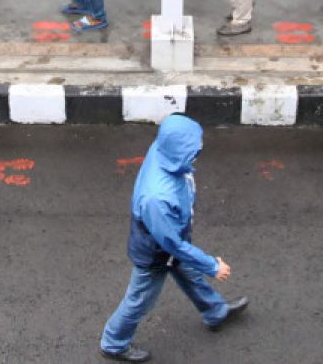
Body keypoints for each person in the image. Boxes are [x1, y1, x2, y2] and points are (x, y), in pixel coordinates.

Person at [99, 114, 248, 362]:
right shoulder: (158, 199)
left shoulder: (162, 151)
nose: (200, 149)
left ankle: (215, 311)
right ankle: (113, 343)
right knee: (139, 301)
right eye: (193, 147)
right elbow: (172, 245)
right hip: (157, 255)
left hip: (171, 245)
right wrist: (212, 265)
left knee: (190, 275)